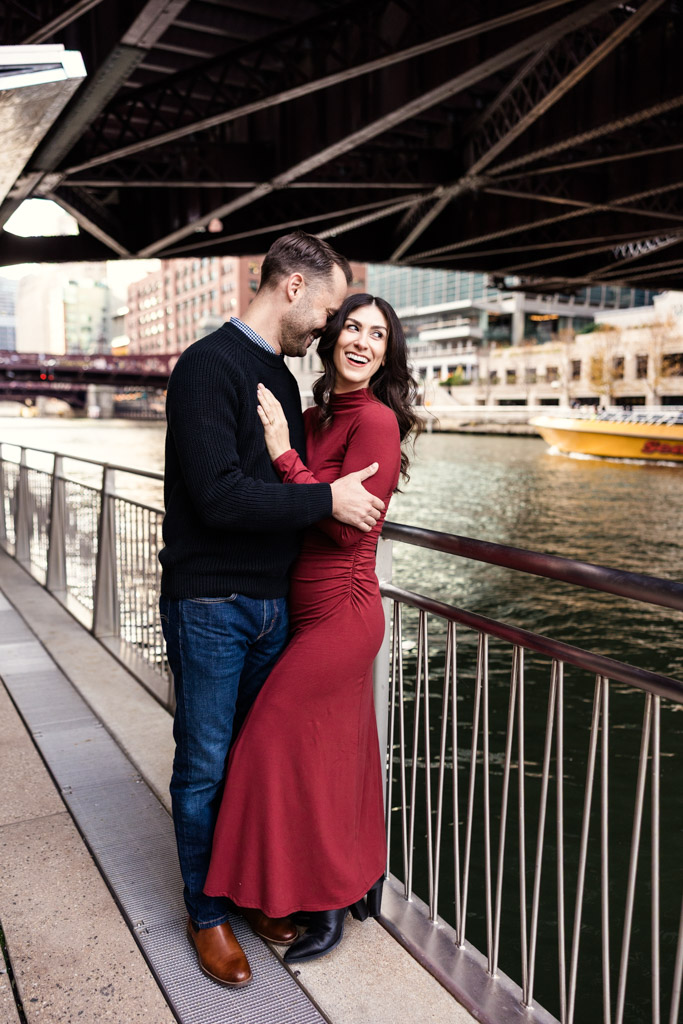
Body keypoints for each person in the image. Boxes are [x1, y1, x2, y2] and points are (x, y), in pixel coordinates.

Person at [159, 233, 388, 988]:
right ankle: (207, 912)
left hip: (276, 608)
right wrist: (323, 496)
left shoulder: (281, 381)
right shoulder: (206, 366)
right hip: (212, 602)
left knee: (257, 767)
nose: (328, 326)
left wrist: (311, 499)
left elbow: (290, 489)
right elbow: (220, 496)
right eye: (328, 309)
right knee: (204, 765)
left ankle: (251, 889)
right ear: (292, 286)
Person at [204, 292, 419, 965]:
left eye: (376, 335)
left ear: (387, 353)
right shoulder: (314, 415)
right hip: (302, 608)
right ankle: (344, 881)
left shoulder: (377, 423)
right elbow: (287, 503)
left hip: (345, 612)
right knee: (327, 759)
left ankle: (321, 902)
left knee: (268, 743)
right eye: (351, 327)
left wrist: (283, 457)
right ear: (328, 339)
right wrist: (283, 451)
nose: (360, 341)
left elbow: (342, 520)